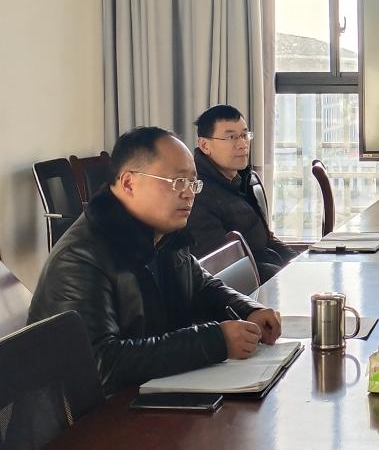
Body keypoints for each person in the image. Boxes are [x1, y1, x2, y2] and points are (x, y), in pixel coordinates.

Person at [28, 127, 282, 396]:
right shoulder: (81, 257)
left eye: (193, 183)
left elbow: (202, 286)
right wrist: (214, 341)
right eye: (177, 182)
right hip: (90, 415)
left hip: (151, 393)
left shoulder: (163, 234)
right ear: (129, 183)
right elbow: (101, 365)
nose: (189, 194)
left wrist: (247, 310)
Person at [189, 104, 297, 282]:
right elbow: (223, 266)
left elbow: (266, 239)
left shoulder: (245, 179)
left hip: (270, 271)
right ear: (205, 145)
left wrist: (299, 263)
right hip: (247, 287)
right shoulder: (197, 193)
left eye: (245, 135)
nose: (242, 144)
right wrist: (285, 277)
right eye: (231, 137)